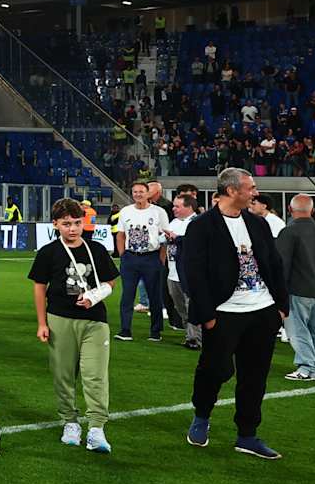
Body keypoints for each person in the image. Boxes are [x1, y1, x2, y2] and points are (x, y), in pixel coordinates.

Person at [182, 167, 289, 459]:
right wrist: (208, 315)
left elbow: (274, 264)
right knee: (214, 370)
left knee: (255, 377)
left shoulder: (258, 223)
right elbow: (194, 274)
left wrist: (281, 306)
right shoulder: (202, 226)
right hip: (224, 313)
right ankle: (202, 415)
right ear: (231, 191)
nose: (255, 192)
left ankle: (247, 435)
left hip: (263, 310)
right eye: (250, 188)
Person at [30, 198, 118, 453]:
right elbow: (39, 288)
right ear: (55, 224)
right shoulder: (48, 252)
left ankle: (97, 428)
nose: (73, 229)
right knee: (63, 375)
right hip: (60, 320)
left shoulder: (97, 249)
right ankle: (70, 422)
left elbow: (111, 281)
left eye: (77, 223)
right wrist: (42, 323)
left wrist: (95, 296)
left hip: (95, 321)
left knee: (95, 375)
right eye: (66, 224)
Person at [274, 193, 315, 382]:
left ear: (290, 209)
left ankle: (308, 368)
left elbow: (281, 264)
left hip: (298, 288)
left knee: (298, 330)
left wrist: (279, 292)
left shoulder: (289, 231)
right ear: (313, 210)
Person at [113, 180, 168, 341]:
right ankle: (125, 330)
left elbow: (164, 237)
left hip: (151, 257)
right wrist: (123, 255)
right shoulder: (126, 211)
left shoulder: (158, 212)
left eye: (141, 191)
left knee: (154, 296)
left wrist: (161, 260)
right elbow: (120, 235)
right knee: (127, 296)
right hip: (130, 258)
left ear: (147, 193)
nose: (138, 194)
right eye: (135, 192)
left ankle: (156, 332)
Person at [163, 191, 204, 350]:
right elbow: (164, 240)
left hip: (189, 273)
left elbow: (194, 243)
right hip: (173, 272)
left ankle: (195, 339)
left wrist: (176, 238)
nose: (173, 209)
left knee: (191, 306)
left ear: (189, 207)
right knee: (180, 307)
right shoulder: (174, 222)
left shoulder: (198, 223)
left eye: (177, 206)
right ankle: (190, 335)